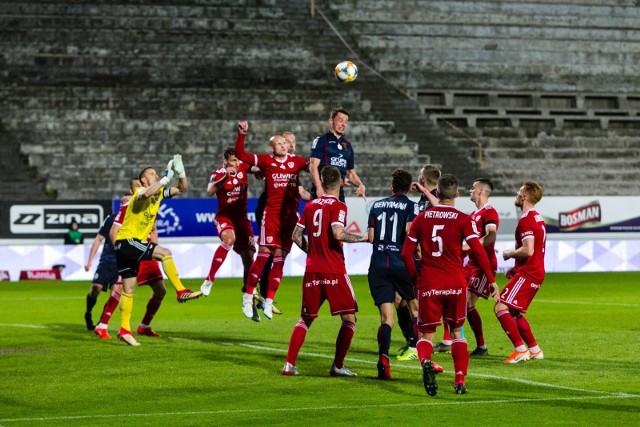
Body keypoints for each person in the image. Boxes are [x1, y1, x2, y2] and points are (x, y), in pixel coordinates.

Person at [401, 174, 499, 396]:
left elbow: (406, 253)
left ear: (437, 193)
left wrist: (416, 280)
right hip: (455, 282)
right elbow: (477, 249)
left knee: (426, 335)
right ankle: (459, 381)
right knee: (457, 332)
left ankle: (426, 361)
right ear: (456, 194)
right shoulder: (464, 219)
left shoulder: (421, 219)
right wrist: (491, 281)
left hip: (430, 282)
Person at [282, 166, 369, 377]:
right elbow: (338, 234)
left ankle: (289, 365)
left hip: (312, 269)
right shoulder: (338, 206)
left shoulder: (310, 205)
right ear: (341, 182)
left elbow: (295, 236)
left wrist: (310, 250)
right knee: (349, 319)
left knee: (305, 319)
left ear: (321, 181)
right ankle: (338, 366)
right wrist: (364, 238)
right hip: (334, 270)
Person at [113, 155, 202, 346]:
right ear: (144, 179)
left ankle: (124, 329)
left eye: (156, 173)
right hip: (128, 241)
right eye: (152, 173)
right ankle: (180, 290)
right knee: (165, 253)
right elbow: (146, 194)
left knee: (128, 289)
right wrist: (164, 179)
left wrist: (181, 172)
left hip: (125, 246)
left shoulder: (158, 193)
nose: (156, 175)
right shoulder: (139, 191)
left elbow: (182, 189)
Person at [367, 169, 419, 380]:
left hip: (378, 264)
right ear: (408, 188)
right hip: (400, 263)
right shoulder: (410, 205)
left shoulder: (376, 205)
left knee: (386, 319)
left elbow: (371, 237)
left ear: (391, 187)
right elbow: (408, 232)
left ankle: (383, 357)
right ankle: (418, 350)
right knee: (415, 309)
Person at [200, 146, 260, 318]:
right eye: (233, 160)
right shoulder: (218, 173)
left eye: (238, 160)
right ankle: (210, 279)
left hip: (242, 220)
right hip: (224, 218)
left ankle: (249, 299)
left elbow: (257, 168)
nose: (237, 163)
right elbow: (210, 190)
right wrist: (226, 175)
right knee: (228, 239)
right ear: (225, 161)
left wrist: (259, 172)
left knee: (249, 260)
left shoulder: (243, 167)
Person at [254, 131, 309, 316]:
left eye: (292, 141)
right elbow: (254, 166)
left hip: (286, 211)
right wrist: (256, 170)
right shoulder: (278, 159)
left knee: (277, 255)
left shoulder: (295, 161)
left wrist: (317, 198)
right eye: (287, 141)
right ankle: (259, 295)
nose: (291, 143)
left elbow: (300, 192)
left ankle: (263, 296)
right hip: (270, 208)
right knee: (268, 253)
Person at [495, 180, 546, 364]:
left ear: (524, 197)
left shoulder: (526, 219)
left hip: (529, 273)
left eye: (519, 192)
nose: (517, 195)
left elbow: (529, 249)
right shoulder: (538, 217)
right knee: (514, 313)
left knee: (500, 306)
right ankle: (534, 350)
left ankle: (520, 350)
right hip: (533, 271)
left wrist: (509, 254)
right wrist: (516, 268)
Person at [396, 163, 441, 361]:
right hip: (416, 255)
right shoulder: (421, 201)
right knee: (401, 299)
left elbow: (440, 207)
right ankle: (412, 340)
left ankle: (417, 346)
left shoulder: (437, 195)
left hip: (428, 258)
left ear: (423, 180)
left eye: (421, 176)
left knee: (415, 302)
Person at [464, 178, 500, 356]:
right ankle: (454, 339)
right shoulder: (473, 215)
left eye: (472, 188)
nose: (470, 190)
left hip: (483, 264)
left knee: (467, 301)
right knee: (457, 300)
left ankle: (481, 346)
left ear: (480, 191)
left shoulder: (489, 211)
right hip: (470, 264)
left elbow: (491, 236)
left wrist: (470, 246)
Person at [309, 107, 366, 202]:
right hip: (322, 190)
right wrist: (319, 188)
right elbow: (313, 166)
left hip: (339, 193)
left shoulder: (348, 145)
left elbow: (351, 173)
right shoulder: (321, 140)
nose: (343, 124)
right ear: (331, 121)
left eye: (346, 121)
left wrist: (361, 185)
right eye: (340, 120)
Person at [83, 211, 120, 331]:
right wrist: (89, 261)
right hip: (107, 261)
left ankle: (102, 323)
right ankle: (88, 313)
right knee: (95, 288)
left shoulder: (135, 219)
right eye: (123, 201)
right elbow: (99, 239)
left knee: (114, 294)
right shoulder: (112, 218)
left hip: (122, 263)